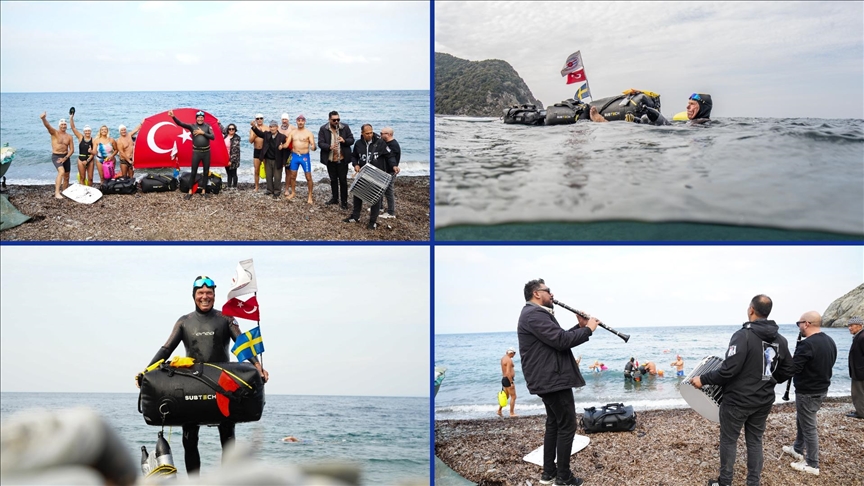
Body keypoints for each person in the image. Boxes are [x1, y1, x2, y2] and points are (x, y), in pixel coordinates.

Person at [137, 276, 269, 476]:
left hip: (222, 385)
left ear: (214, 296)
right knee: (190, 438)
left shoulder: (225, 319)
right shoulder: (184, 322)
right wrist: (146, 372)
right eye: (200, 293)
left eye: (209, 293)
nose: (205, 297)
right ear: (194, 296)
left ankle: (227, 480)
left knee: (227, 436)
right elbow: (166, 349)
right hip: (193, 384)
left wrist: (258, 366)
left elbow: (242, 344)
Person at [692, 294, 793, 486]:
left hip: (737, 401)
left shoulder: (743, 335)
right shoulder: (780, 339)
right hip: (763, 400)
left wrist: (703, 379)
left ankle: (725, 482)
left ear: (751, 310)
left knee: (729, 440)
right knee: (755, 441)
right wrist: (770, 379)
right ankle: (753, 483)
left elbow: (728, 370)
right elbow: (789, 368)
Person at [517, 278, 598, 486]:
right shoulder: (534, 314)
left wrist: (579, 327)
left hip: (549, 378)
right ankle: (563, 477)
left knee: (554, 424)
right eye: (548, 291)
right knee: (567, 425)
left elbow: (556, 339)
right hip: (551, 379)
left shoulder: (535, 314)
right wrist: (588, 329)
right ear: (537, 294)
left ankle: (549, 474)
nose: (551, 294)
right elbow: (561, 342)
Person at [780, 311, 837, 476]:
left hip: (808, 391)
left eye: (799, 323)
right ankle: (798, 448)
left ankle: (812, 463)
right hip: (821, 389)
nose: (798, 327)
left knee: (809, 426)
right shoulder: (829, 341)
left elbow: (793, 369)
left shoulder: (807, 344)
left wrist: (787, 362)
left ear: (806, 323)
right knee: (802, 420)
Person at [343, 124, 396, 230]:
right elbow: (354, 156)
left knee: (375, 199)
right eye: (367, 133)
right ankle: (355, 217)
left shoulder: (380, 143)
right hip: (363, 174)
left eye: (371, 132)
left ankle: (372, 222)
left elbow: (390, 156)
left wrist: (394, 165)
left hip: (377, 175)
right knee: (357, 195)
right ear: (362, 133)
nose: (370, 135)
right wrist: (356, 164)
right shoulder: (358, 144)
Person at [170, 110, 215, 200]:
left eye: (202, 117)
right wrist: (173, 117)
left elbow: (213, 137)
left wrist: (203, 133)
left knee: (206, 172)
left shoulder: (207, 127)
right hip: (196, 152)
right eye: (198, 117)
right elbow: (180, 124)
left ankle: (203, 191)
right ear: (196, 118)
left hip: (206, 152)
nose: (200, 119)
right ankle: (190, 191)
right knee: (193, 172)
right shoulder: (192, 126)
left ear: (203, 118)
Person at [318, 111, 354, 209]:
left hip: (342, 159)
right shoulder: (323, 129)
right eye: (334, 120)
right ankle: (335, 198)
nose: (336, 122)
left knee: (343, 180)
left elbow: (352, 140)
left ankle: (344, 202)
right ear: (329, 119)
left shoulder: (345, 127)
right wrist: (329, 147)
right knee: (333, 179)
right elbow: (320, 143)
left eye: (338, 119)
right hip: (331, 159)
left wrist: (344, 141)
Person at [40, 113, 74, 199]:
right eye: (62, 124)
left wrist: (65, 158)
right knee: (61, 172)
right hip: (56, 156)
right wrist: (43, 119)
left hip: (66, 157)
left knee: (67, 176)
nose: (63, 126)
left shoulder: (69, 136)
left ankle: (65, 192)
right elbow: (48, 126)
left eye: (65, 124)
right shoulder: (54, 133)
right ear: (59, 125)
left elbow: (72, 150)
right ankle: (57, 192)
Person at [250, 120, 288, 198]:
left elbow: (285, 151)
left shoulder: (282, 137)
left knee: (277, 177)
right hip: (268, 159)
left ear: (277, 127)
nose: (272, 128)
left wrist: (284, 161)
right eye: (270, 127)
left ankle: (277, 191)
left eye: (273, 127)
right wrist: (254, 126)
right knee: (268, 175)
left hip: (278, 160)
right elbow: (259, 133)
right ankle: (269, 189)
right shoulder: (267, 134)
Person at [287, 115, 316, 205]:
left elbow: (313, 145)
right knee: (292, 176)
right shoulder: (292, 132)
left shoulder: (308, 133)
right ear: (296, 121)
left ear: (304, 122)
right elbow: (287, 144)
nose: (300, 122)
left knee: (308, 177)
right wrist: (280, 146)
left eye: (302, 121)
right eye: (299, 120)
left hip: (304, 157)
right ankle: (293, 192)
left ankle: (310, 195)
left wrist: (313, 147)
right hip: (295, 156)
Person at [378, 127, 400, 219]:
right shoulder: (385, 143)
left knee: (388, 191)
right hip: (384, 170)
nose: (380, 135)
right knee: (380, 189)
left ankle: (391, 212)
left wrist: (394, 167)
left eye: (382, 133)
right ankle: (380, 207)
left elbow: (392, 158)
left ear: (389, 134)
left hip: (390, 171)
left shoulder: (393, 145)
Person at [68, 113, 94, 186]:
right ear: (84, 131)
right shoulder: (80, 137)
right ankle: (83, 192)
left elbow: (94, 152)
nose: (87, 132)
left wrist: (88, 160)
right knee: (82, 177)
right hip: (81, 159)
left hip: (90, 160)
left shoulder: (93, 140)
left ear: (90, 131)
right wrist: (71, 118)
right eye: (86, 131)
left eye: (89, 131)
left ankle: (90, 191)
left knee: (90, 178)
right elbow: (73, 128)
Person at [847, 316, 864, 419]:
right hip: (859, 371)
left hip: (860, 372)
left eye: (852, 325)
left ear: (860, 326)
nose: (850, 328)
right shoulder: (859, 336)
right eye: (849, 325)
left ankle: (861, 413)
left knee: (858, 393)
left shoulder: (861, 337)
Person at [498, 347, 517, 417]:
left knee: (506, 396)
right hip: (508, 379)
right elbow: (508, 372)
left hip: (504, 379)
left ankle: (499, 410)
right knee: (513, 396)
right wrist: (511, 382)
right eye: (514, 354)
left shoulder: (503, 358)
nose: (513, 356)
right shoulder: (509, 360)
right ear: (511, 353)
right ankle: (511, 413)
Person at [249, 114, 266, 191]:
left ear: (263, 119)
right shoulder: (252, 129)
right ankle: (256, 186)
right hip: (257, 150)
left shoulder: (267, 128)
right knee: (256, 170)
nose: (259, 120)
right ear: (255, 120)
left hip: (265, 150)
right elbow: (250, 141)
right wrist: (256, 134)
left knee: (267, 169)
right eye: (258, 118)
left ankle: (269, 185)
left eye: (261, 118)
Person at [223, 124, 241, 189]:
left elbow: (235, 151)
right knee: (228, 173)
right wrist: (218, 123)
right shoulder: (225, 136)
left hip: (233, 158)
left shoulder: (236, 138)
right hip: (226, 157)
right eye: (229, 129)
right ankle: (229, 185)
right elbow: (222, 129)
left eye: (232, 129)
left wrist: (231, 161)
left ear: (235, 130)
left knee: (233, 173)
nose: (231, 130)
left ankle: (235, 186)